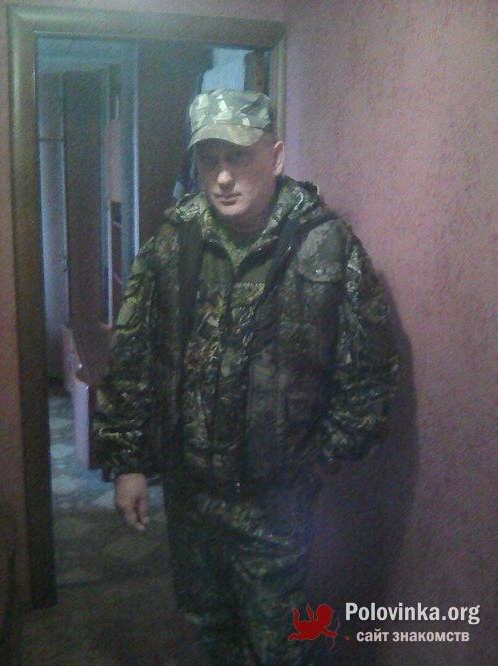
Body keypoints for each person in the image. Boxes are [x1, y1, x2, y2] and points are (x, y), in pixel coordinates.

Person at [93, 88, 398, 665]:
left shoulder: (326, 245)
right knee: (209, 628)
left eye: (239, 157)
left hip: (276, 506)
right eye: (209, 160)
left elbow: (369, 375)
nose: (223, 177)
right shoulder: (172, 243)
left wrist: (314, 465)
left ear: (275, 157)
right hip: (191, 497)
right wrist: (129, 462)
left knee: (283, 645)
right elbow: (133, 357)